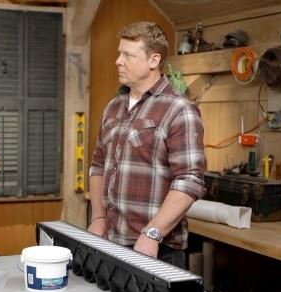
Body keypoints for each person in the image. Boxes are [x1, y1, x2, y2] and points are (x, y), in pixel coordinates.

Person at [88, 21, 206, 268]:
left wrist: (152, 232)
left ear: (153, 60)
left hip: (155, 249)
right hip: (110, 241)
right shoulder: (113, 107)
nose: (118, 61)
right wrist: (98, 216)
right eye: (119, 53)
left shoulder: (179, 109)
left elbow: (189, 180)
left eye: (128, 55)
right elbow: (98, 165)